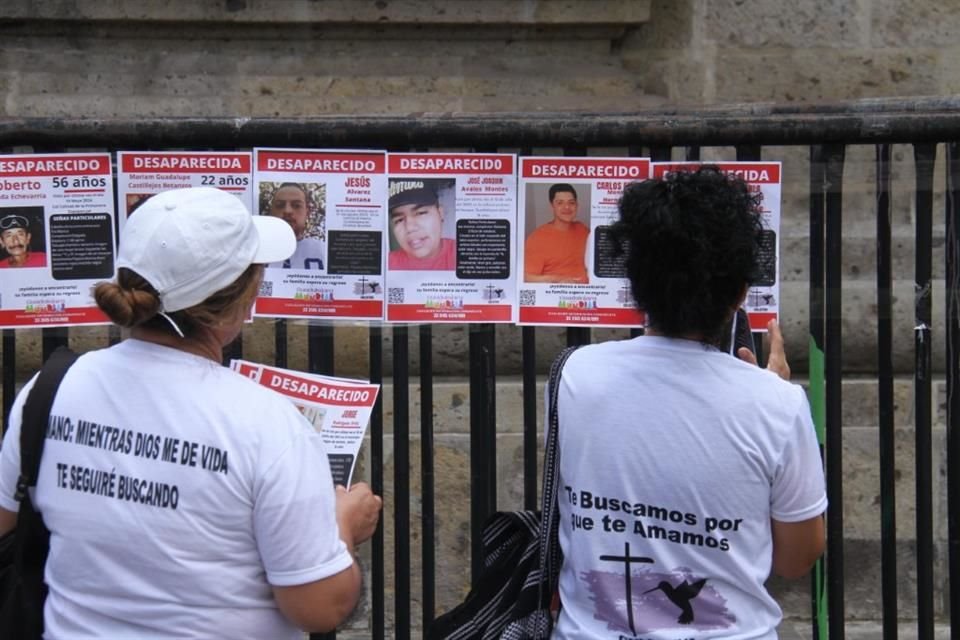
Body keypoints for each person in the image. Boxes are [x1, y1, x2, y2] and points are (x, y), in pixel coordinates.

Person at [0, 187, 382, 638]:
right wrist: (343, 527)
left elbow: (7, 519)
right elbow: (320, 606)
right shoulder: (271, 426)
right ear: (241, 296)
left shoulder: (50, 389)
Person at [551, 168, 825, 638]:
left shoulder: (574, 374)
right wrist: (771, 392)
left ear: (635, 283)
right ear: (740, 293)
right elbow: (798, 558)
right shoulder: (777, 404)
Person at [523, 183, 589, 283]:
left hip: (589, 294)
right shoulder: (537, 238)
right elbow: (527, 277)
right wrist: (557, 281)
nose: (566, 207)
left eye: (571, 202)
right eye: (560, 203)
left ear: (577, 205)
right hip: (556, 294)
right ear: (552, 206)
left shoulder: (583, 229)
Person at [388, 179, 456, 270]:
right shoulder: (387, 263)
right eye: (399, 220)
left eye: (421, 213)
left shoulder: (464, 254)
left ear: (440, 213)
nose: (410, 228)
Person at [266, 182, 326, 269]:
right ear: (271, 212)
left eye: (297, 205)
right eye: (280, 205)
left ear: (307, 213)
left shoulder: (325, 251)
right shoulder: (255, 251)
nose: (287, 210)